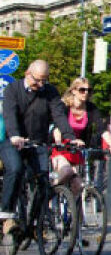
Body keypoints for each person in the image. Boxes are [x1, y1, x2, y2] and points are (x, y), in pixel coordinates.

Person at [1, 60, 80, 236]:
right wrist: (14, 135)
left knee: (44, 181)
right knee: (15, 169)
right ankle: (6, 215)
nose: (41, 84)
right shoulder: (13, 89)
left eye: (44, 80)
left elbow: (59, 115)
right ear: (27, 74)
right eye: (37, 80)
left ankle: (35, 222)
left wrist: (70, 137)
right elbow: (9, 114)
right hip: (13, 141)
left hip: (37, 142)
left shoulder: (50, 92)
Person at [50, 77, 111, 196]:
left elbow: (101, 129)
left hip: (78, 149)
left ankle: (72, 207)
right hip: (62, 148)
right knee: (66, 171)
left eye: (89, 90)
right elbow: (58, 127)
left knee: (79, 185)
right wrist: (59, 143)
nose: (86, 93)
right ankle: (50, 191)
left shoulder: (91, 108)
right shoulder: (64, 106)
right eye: (82, 90)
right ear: (73, 91)